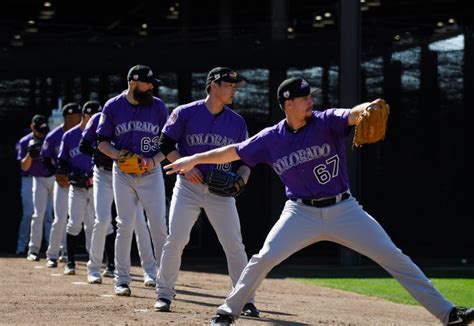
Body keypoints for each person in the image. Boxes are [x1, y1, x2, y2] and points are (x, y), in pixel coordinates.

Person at [164, 77, 474, 326]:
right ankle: (227, 311)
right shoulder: (271, 138)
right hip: (299, 213)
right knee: (263, 258)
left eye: (310, 96)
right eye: (303, 97)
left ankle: (448, 313)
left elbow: (354, 113)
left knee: (394, 257)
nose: (310, 100)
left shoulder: (326, 121)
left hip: (344, 209)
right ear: (287, 103)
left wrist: (367, 109)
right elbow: (232, 152)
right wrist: (192, 159)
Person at [154, 67, 259, 317]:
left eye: (235, 86)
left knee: (234, 244)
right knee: (176, 240)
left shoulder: (237, 121)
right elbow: (165, 143)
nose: (234, 90)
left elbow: (247, 159)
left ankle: (245, 299)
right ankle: (164, 294)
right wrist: (185, 167)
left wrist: (242, 181)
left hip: (220, 192)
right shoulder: (185, 113)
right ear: (213, 85)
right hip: (188, 186)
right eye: (229, 85)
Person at [97, 64, 168, 296]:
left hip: (151, 173)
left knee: (158, 225)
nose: (151, 86)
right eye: (147, 82)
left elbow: (168, 144)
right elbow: (102, 142)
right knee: (124, 225)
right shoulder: (113, 106)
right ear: (133, 82)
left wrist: (154, 161)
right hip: (123, 174)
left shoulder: (158, 106)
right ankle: (122, 280)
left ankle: (163, 278)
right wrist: (121, 155)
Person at [80, 101, 159, 287]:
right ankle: (94, 269)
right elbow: (84, 145)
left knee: (139, 222)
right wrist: (102, 153)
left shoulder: (133, 121)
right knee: (102, 219)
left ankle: (150, 272)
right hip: (103, 174)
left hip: (128, 174)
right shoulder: (99, 119)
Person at [58, 102, 101, 275]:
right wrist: (72, 174)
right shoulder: (69, 136)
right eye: (91, 117)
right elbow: (62, 162)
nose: (95, 120)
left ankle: (95, 262)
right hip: (77, 187)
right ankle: (70, 262)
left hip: (95, 184)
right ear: (84, 116)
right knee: (74, 223)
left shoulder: (102, 134)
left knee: (94, 225)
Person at [43, 102, 82, 268]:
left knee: (79, 220)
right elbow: (45, 158)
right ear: (67, 117)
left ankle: (69, 253)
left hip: (79, 183)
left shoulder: (83, 134)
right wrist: (56, 173)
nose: (78, 119)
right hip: (62, 183)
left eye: (79, 116)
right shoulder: (53, 136)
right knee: (59, 219)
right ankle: (52, 254)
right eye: (75, 116)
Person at [18, 115, 55, 261]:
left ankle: (54, 248)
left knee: (51, 216)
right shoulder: (25, 141)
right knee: (33, 214)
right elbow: (24, 167)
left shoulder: (50, 138)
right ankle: (27, 248)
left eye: (43, 130)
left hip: (52, 178)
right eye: (39, 131)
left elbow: (57, 161)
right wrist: (30, 153)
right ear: (32, 127)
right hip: (33, 178)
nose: (42, 134)